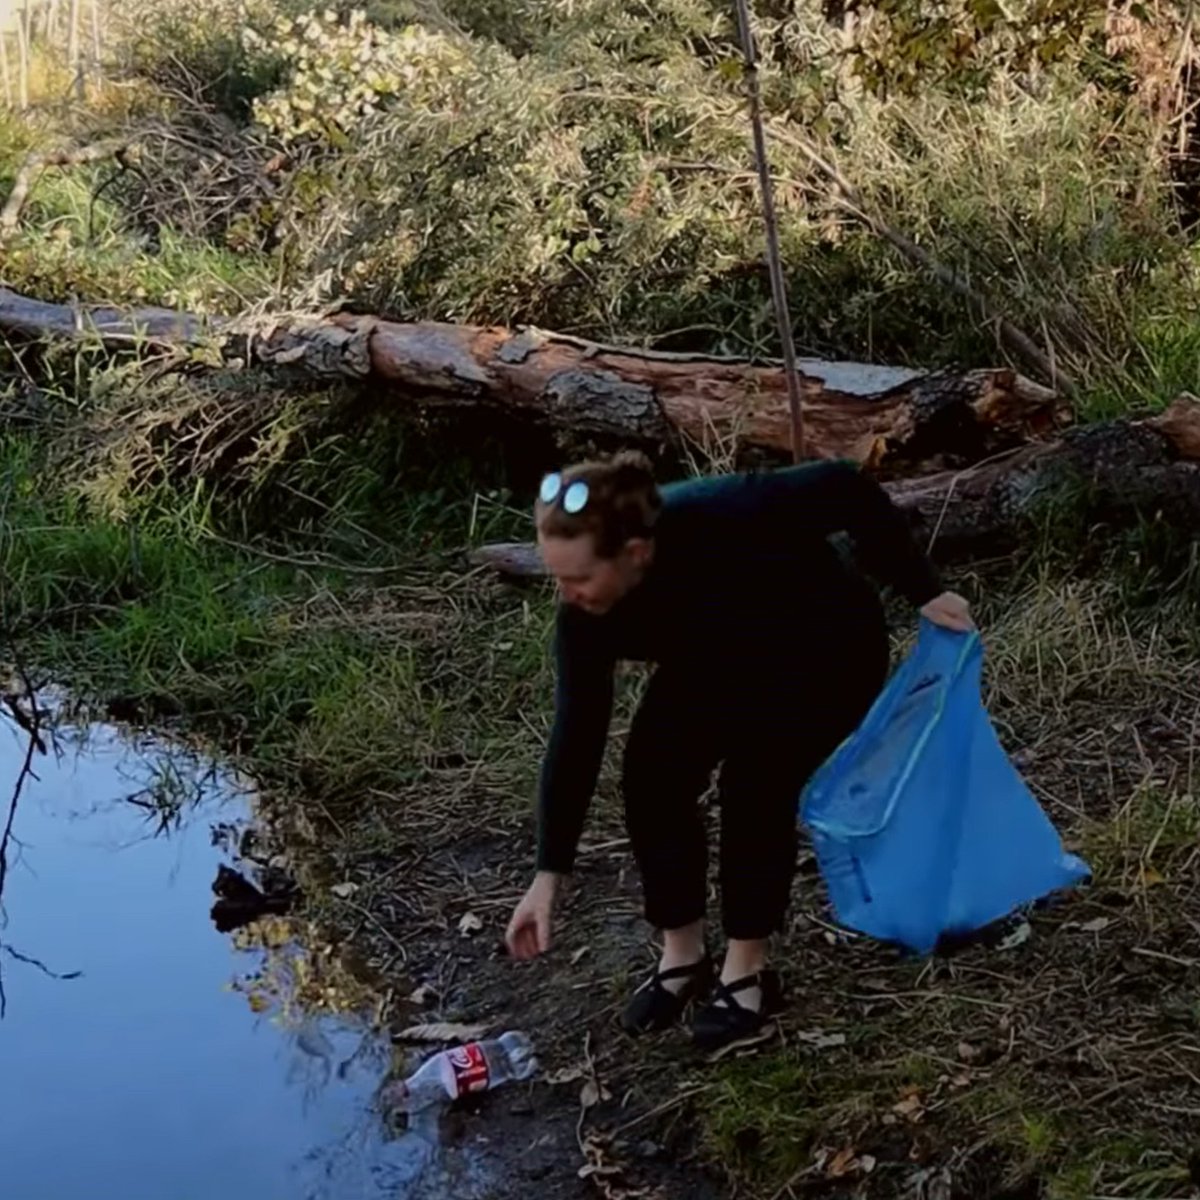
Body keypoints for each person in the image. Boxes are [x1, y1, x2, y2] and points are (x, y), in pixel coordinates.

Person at [504, 451, 972, 1050]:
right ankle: (683, 957)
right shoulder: (585, 617)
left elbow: (845, 487)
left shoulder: (720, 511)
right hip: (714, 657)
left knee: (755, 783)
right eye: (557, 579)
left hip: (823, 644)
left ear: (635, 553)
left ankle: (747, 972)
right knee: (653, 771)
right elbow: (577, 734)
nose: (567, 595)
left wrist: (922, 590)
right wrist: (550, 874)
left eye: (578, 578)